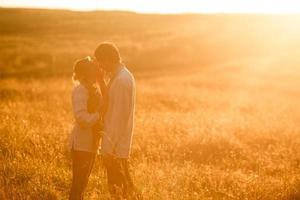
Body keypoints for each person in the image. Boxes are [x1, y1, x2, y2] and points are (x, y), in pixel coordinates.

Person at [94, 42, 137, 199]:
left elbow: (118, 117)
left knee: (118, 191)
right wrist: (100, 80)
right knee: (123, 190)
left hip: (116, 147)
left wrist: (108, 148)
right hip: (116, 146)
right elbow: (110, 103)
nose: (100, 66)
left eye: (100, 62)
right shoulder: (120, 76)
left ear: (107, 58)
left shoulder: (122, 80)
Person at [69, 57, 105, 200]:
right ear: (84, 74)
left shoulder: (92, 90)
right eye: (93, 71)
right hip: (81, 144)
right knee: (78, 185)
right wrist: (99, 114)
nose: (96, 73)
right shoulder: (80, 90)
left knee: (82, 184)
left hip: (90, 143)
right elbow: (82, 119)